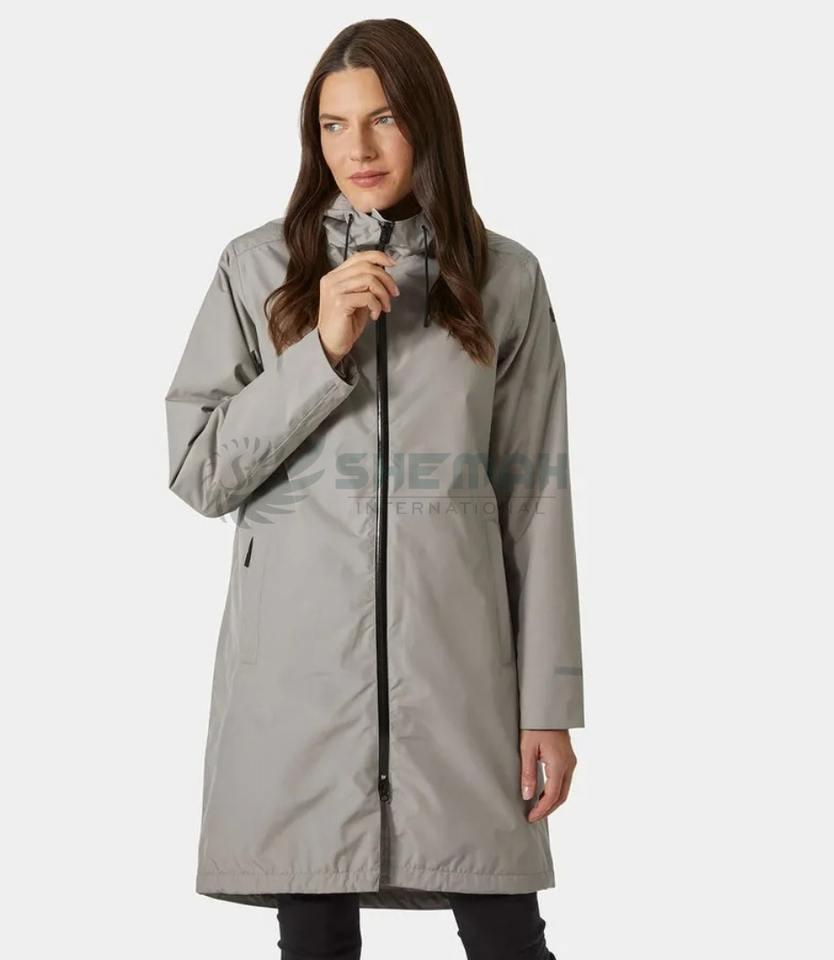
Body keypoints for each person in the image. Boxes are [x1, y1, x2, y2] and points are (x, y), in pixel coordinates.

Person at [164, 18, 585, 960]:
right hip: (298, 687)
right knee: (314, 941)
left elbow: (536, 502)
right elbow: (200, 470)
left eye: (384, 118)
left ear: (428, 123)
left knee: (508, 938)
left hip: (459, 682)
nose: (356, 148)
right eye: (332, 125)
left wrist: (548, 703)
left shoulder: (505, 279)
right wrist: (321, 350)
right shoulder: (257, 268)